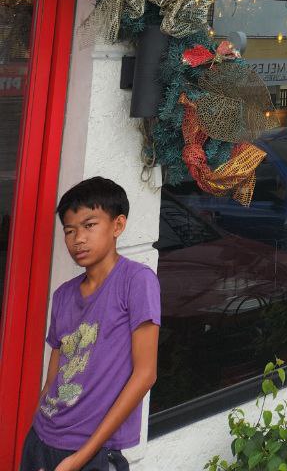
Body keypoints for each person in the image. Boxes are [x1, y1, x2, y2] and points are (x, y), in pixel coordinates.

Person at [19, 177, 161, 471]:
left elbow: (145, 375)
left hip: (92, 451)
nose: (78, 239)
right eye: (69, 231)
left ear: (118, 226)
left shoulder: (136, 281)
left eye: (89, 225)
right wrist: (37, 429)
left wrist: (79, 458)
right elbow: (52, 379)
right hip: (42, 439)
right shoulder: (62, 296)